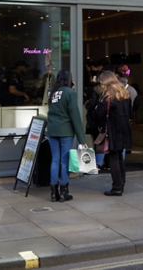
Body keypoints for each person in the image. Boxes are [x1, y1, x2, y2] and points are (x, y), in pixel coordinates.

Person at [46, 70, 86, 203]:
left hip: (52, 129)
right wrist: (82, 139)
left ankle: (53, 193)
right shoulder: (70, 93)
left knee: (55, 160)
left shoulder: (51, 91)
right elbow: (74, 116)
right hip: (65, 130)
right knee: (65, 161)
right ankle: (64, 192)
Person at [94, 71, 132, 196]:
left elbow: (99, 114)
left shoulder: (107, 96)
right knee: (119, 157)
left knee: (113, 158)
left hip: (112, 129)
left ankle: (116, 187)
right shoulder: (125, 94)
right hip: (124, 129)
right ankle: (121, 183)